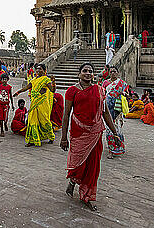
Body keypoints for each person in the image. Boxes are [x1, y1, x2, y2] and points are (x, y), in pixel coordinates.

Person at [60, 62, 121, 211]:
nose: (88, 73)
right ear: (79, 74)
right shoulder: (71, 91)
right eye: (85, 70)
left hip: (95, 133)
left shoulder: (100, 90)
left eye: (91, 71)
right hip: (78, 133)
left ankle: (86, 195)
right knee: (78, 163)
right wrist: (63, 137)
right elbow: (66, 114)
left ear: (94, 74)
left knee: (92, 166)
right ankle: (73, 182)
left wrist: (114, 132)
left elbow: (105, 113)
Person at [13, 63, 55, 147]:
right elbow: (27, 87)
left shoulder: (46, 80)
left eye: (40, 69)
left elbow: (52, 90)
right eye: (37, 69)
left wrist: (53, 82)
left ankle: (51, 136)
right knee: (32, 121)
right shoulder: (34, 80)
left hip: (42, 103)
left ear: (44, 70)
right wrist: (18, 92)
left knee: (44, 121)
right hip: (34, 103)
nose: (38, 70)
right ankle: (32, 140)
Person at [104, 67, 129, 157]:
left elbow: (128, 94)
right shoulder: (105, 83)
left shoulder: (122, 84)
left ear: (118, 73)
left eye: (115, 71)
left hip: (118, 110)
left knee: (118, 129)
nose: (113, 73)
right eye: (111, 72)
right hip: (108, 109)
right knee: (109, 130)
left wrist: (124, 94)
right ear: (109, 73)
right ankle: (111, 149)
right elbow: (103, 93)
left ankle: (119, 147)